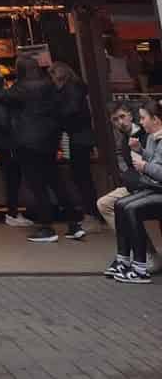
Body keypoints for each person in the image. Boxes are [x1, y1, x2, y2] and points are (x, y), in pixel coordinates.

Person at [0, 55, 80, 243]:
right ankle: (74, 224)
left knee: (37, 186)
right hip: (48, 140)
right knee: (56, 181)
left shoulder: (21, 88)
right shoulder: (48, 85)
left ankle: (46, 227)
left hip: (28, 142)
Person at [109, 98, 162, 283]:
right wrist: (141, 150)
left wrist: (144, 166)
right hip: (154, 187)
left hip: (158, 190)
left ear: (155, 119)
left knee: (131, 208)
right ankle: (123, 259)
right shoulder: (153, 138)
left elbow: (157, 169)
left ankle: (140, 268)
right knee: (120, 204)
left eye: (144, 118)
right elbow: (156, 160)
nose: (141, 122)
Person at [49, 61, 104, 229]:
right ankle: (92, 213)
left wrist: (55, 114)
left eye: (52, 76)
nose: (51, 80)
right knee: (81, 176)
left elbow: (70, 111)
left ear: (59, 76)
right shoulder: (76, 87)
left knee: (81, 176)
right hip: (81, 136)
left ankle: (92, 215)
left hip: (79, 137)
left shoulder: (71, 89)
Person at [0, 69, 28, 227]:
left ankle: (13, 211)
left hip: (0, 141)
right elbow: (4, 124)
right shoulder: (0, 103)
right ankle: (13, 212)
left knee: (11, 177)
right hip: (7, 142)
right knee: (12, 178)